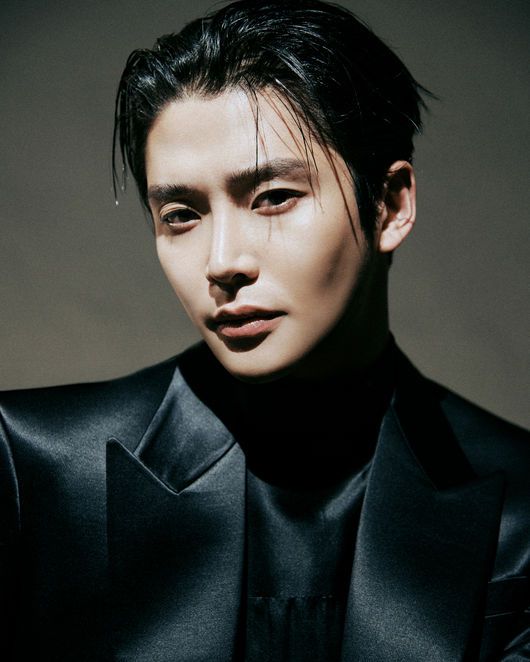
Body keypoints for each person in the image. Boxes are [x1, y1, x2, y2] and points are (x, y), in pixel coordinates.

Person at [0, 0, 528, 660]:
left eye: (273, 197)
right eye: (181, 214)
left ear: (391, 205)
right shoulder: (36, 469)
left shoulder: (518, 506)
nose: (223, 262)